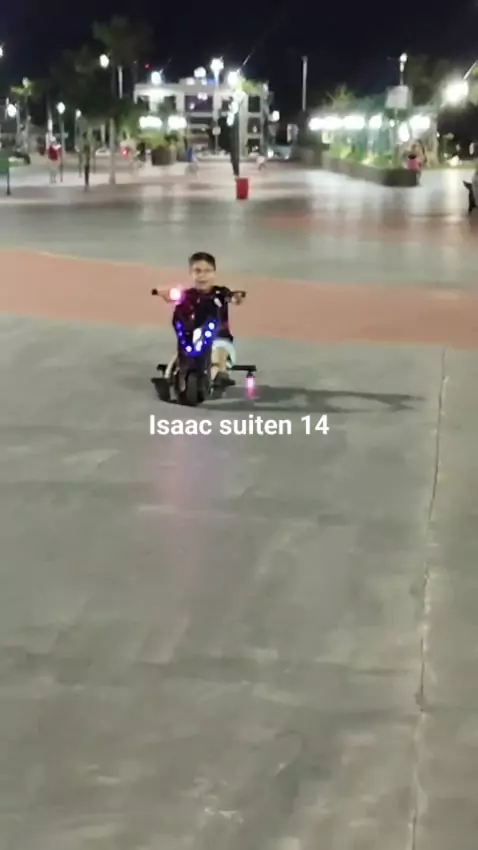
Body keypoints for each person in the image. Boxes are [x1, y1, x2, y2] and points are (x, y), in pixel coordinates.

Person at [156, 251, 244, 386]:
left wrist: (235, 297)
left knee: (218, 353)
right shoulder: (188, 294)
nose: (202, 275)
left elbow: (231, 296)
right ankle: (168, 378)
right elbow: (174, 298)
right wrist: (166, 294)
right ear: (191, 273)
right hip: (195, 337)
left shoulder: (220, 293)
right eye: (197, 271)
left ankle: (220, 374)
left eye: (207, 271)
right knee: (181, 354)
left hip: (218, 338)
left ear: (214, 273)